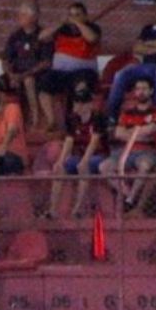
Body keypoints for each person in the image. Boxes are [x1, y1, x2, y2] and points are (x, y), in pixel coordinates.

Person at [107, 0, 156, 120]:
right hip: (146, 67)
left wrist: (148, 45)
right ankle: (111, 117)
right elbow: (137, 48)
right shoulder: (147, 29)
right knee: (121, 73)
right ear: (155, 11)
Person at [101, 77, 156, 215]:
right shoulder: (127, 112)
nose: (141, 92)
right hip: (126, 151)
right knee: (104, 167)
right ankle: (127, 193)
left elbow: (152, 129)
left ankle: (130, 199)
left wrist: (129, 132)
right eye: (138, 89)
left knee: (145, 166)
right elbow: (118, 133)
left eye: (144, 89)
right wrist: (140, 132)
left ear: (151, 91)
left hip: (147, 151)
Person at [37, 2, 102, 133]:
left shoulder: (93, 27)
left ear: (85, 16)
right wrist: (60, 24)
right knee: (43, 83)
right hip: (61, 73)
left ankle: (77, 122)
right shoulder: (61, 29)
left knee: (81, 86)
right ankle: (51, 121)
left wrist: (78, 23)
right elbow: (42, 37)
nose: (73, 17)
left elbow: (92, 38)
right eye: (71, 15)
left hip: (84, 72)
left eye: (77, 15)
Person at [50, 79, 107, 219]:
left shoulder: (98, 118)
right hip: (80, 155)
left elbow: (94, 142)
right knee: (59, 169)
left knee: (83, 168)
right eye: (76, 103)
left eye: (82, 103)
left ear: (89, 104)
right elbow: (69, 140)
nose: (78, 106)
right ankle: (52, 210)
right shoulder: (72, 119)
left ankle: (77, 209)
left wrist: (85, 161)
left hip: (99, 155)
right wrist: (60, 160)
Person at [3, 3, 53, 129]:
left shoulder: (43, 35)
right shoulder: (15, 36)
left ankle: (34, 118)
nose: (20, 16)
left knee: (28, 81)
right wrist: (11, 75)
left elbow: (46, 62)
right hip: (15, 73)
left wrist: (23, 75)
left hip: (35, 73)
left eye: (24, 14)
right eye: (20, 14)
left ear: (34, 17)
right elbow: (6, 59)